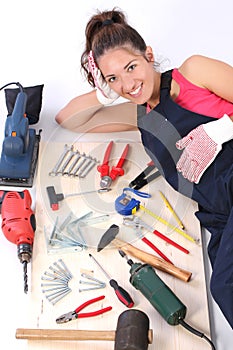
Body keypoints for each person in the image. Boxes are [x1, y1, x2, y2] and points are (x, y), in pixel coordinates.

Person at [55, 8, 233, 328]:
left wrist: (222, 130)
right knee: (224, 289)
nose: (127, 83)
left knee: (225, 285)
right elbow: (67, 118)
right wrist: (103, 91)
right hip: (219, 216)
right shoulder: (139, 117)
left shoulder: (192, 73)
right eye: (114, 78)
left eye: (131, 67)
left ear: (148, 54)